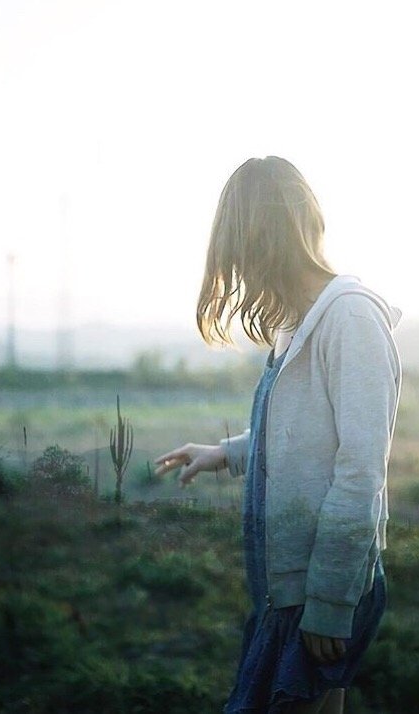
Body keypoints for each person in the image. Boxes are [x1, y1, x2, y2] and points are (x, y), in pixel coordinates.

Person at [155, 155, 402, 714]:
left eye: (238, 253)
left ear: (262, 241)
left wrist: (330, 602)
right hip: (289, 586)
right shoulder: (296, 321)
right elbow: (299, 437)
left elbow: (359, 472)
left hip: (322, 584)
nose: (237, 273)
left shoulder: (351, 320)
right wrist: (228, 452)